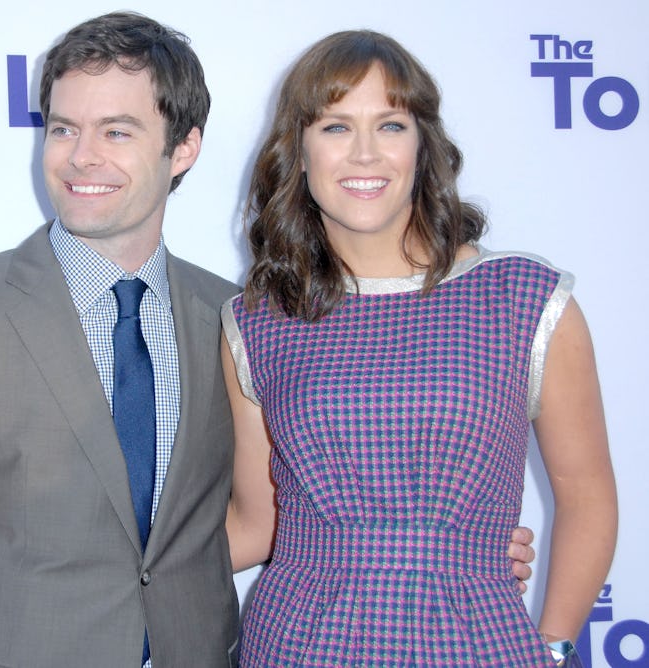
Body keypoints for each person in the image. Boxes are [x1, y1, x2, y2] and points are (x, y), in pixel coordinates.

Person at [222, 29, 617, 666]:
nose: (365, 154)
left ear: (423, 145)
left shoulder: (525, 300)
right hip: (297, 641)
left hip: (477, 640)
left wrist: (554, 646)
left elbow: (587, 495)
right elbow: (256, 522)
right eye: (334, 127)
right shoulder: (258, 319)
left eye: (391, 125)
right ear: (297, 150)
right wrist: (106, 569)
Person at [0, 12, 242, 668]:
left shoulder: (230, 314)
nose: (81, 156)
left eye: (116, 131)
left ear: (183, 147)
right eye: (64, 128)